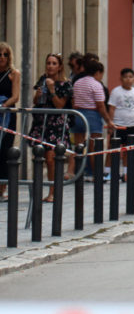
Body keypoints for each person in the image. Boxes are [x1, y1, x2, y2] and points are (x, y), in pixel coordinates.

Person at [29, 53, 73, 202]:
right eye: (48, 63)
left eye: (54, 63)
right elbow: (36, 101)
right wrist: (38, 94)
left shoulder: (65, 84)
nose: (50, 66)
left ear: (59, 66)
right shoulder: (42, 80)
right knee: (39, 157)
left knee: (51, 158)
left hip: (56, 125)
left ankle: (53, 191)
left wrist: (52, 89)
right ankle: (40, 190)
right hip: (42, 123)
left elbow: (60, 105)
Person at [72, 59, 119, 180]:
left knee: (78, 145)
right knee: (95, 147)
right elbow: (101, 106)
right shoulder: (97, 85)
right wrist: (108, 120)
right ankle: (95, 173)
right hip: (92, 114)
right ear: (98, 72)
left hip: (78, 113)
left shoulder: (77, 82)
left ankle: (79, 172)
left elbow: (73, 100)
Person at [107, 68, 134, 180]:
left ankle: (126, 173)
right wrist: (111, 123)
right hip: (118, 124)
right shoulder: (116, 92)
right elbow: (112, 108)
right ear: (121, 79)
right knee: (112, 148)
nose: (128, 79)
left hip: (132, 124)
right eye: (125, 77)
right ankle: (108, 172)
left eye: (130, 77)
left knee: (128, 150)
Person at [0, 42, 21, 201]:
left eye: (5, 54)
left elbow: (15, 96)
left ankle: (2, 189)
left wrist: (3, 106)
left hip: (6, 115)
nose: (2, 58)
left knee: (5, 151)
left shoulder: (14, 73)